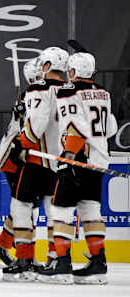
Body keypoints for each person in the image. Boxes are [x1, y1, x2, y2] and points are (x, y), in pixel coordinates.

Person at [38, 52, 118, 284]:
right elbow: (110, 127)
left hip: (78, 158)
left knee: (61, 210)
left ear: (72, 72)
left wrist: (68, 156)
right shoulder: (104, 93)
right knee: (91, 210)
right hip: (98, 160)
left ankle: (61, 264)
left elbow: (74, 127)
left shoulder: (68, 91)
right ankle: (98, 263)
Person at [1, 47, 69, 282]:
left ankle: (24, 261)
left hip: (37, 159)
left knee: (21, 207)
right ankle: (55, 259)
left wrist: (21, 142)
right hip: (60, 161)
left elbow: (37, 124)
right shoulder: (70, 90)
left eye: (42, 64)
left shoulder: (39, 88)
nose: (40, 68)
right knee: (54, 211)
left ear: (48, 66)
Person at [0, 58, 43, 269]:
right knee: (26, 208)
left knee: (28, 207)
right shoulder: (33, 96)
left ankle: (1, 247)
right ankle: (23, 255)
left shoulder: (35, 95)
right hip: (14, 157)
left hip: (22, 156)